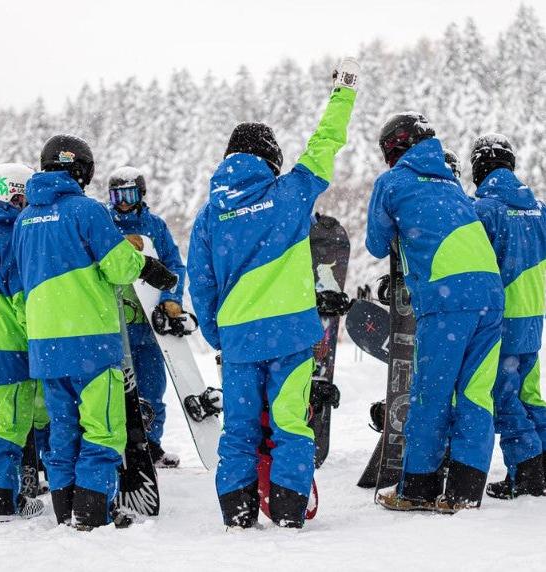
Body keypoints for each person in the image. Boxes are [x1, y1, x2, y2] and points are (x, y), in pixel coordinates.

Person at [187, 57, 358, 529]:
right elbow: (326, 142)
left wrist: (219, 335)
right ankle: (287, 511)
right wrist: (344, 92)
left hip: (240, 339)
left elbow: (198, 283)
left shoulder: (209, 216)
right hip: (290, 338)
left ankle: (238, 515)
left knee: (239, 431)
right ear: (272, 160)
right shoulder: (290, 194)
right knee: (290, 426)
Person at [12, 134, 177, 529]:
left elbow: (17, 288)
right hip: (90, 344)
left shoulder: (24, 221)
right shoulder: (86, 212)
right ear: (83, 171)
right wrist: (148, 266)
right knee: (103, 430)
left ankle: (65, 510)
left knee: (63, 432)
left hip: (45, 347)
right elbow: (119, 267)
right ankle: (91, 514)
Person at [366, 112, 504, 513]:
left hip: (447, 299)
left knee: (432, 395)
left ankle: (417, 489)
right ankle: (463, 492)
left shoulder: (392, 182)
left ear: (393, 148)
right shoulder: (453, 184)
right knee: (477, 393)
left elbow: (377, 243)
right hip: (490, 294)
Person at [471, 133, 546, 499]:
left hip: (503, 316)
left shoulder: (484, 210)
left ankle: (528, 470)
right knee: (529, 392)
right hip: (534, 313)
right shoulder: (539, 208)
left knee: (503, 395)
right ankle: (542, 463)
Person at [0, 163, 45, 521]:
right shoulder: (10, 237)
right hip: (8, 346)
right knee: (11, 423)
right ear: (16, 194)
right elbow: (23, 301)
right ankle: (3, 500)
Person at [108, 166, 187, 468]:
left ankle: (151, 443)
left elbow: (174, 266)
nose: (123, 202)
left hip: (150, 324)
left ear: (141, 194)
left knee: (152, 388)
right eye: (117, 196)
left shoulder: (154, 225)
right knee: (119, 388)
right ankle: (120, 444)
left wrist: (170, 300)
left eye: (129, 194)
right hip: (116, 325)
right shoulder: (105, 223)